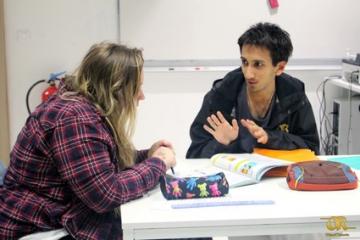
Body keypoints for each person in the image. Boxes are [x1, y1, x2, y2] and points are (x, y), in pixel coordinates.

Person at [0, 42, 176, 240]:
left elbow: (98, 163)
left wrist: (147, 155)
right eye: (137, 87)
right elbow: (106, 194)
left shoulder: (81, 107)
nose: (141, 96)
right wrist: (158, 163)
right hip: (42, 229)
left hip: (61, 215)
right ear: (116, 87)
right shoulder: (74, 119)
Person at [186, 22, 320, 159]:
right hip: (233, 177)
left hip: (278, 177)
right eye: (245, 62)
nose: (248, 74)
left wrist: (270, 138)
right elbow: (194, 156)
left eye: (258, 64)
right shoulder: (221, 95)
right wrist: (223, 144)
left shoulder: (293, 95)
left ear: (279, 68)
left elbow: (311, 148)